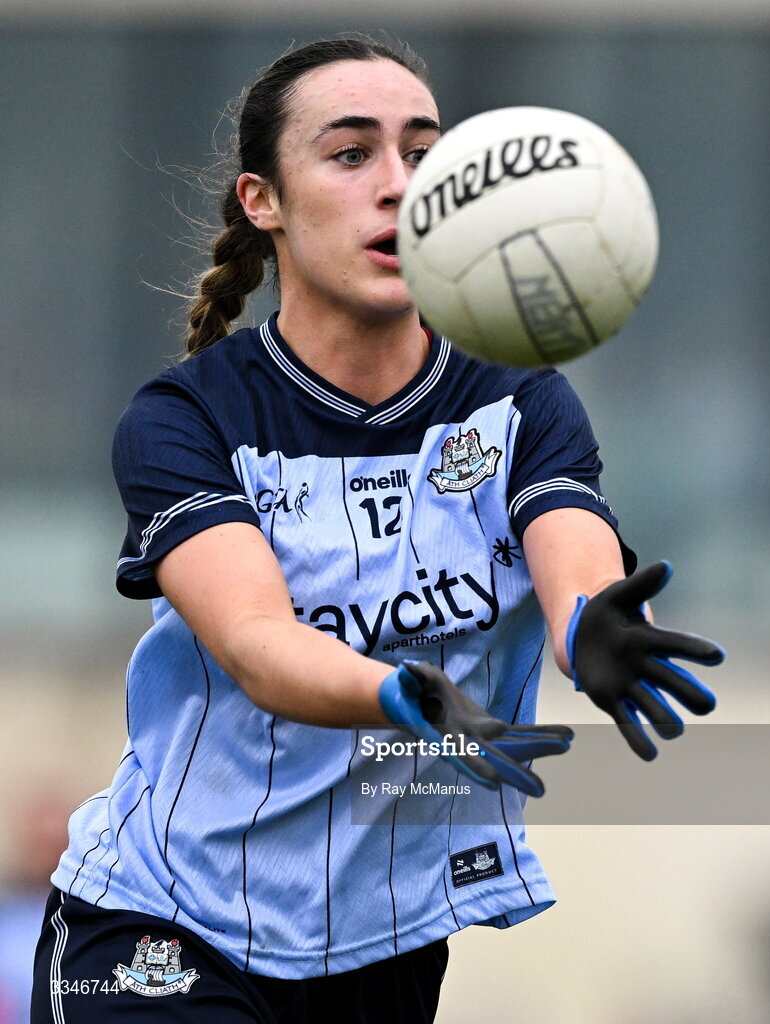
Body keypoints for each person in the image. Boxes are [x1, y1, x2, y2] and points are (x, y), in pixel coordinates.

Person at [31, 34, 724, 1024]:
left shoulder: (519, 400)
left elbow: (568, 543)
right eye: (351, 153)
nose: (398, 185)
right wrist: (397, 693)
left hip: (382, 947)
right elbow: (258, 645)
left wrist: (588, 627)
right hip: (164, 927)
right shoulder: (187, 418)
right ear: (260, 200)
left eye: (423, 152)